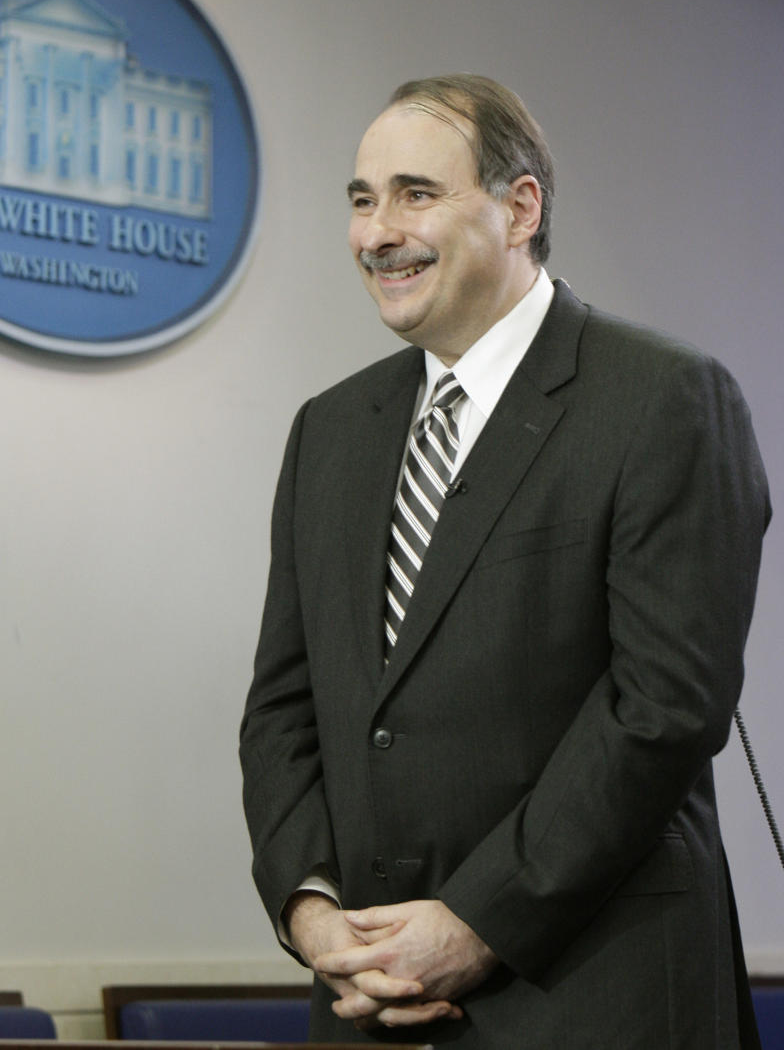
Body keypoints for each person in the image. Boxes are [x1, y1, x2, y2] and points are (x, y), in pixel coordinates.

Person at [239, 74, 771, 1048]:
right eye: (361, 200)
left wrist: (476, 921)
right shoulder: (329, 433)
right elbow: (283, 708)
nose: (377, 231)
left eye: (415, 193)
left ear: (520, 206)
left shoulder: (663, 399)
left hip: (592, 994)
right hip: (370, 1004)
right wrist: (317, 916)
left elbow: (665, 708)